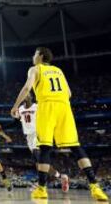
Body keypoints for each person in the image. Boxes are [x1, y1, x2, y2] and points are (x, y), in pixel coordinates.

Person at [10, 47, 108, 201]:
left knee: (44, 147)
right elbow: (69, 93)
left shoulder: (35, 69)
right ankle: (95, 186)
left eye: (35, 53)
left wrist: (15, 105)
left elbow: (27, 87)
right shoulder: (58, 70)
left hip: (47, 106)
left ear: (41, 56)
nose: (33, 56)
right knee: (76, 146)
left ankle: (42, 189)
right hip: (64, 107)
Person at [18, 93, 70, 193]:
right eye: (24, 95)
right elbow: (21, 120)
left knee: (39, 158)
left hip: (38, 134)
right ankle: (61, 176)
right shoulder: (20, 109)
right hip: (29, 137)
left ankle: (41, 184)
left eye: (27, 94)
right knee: (38, 164)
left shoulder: (37, 106)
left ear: (31, 97)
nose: (25, 96)